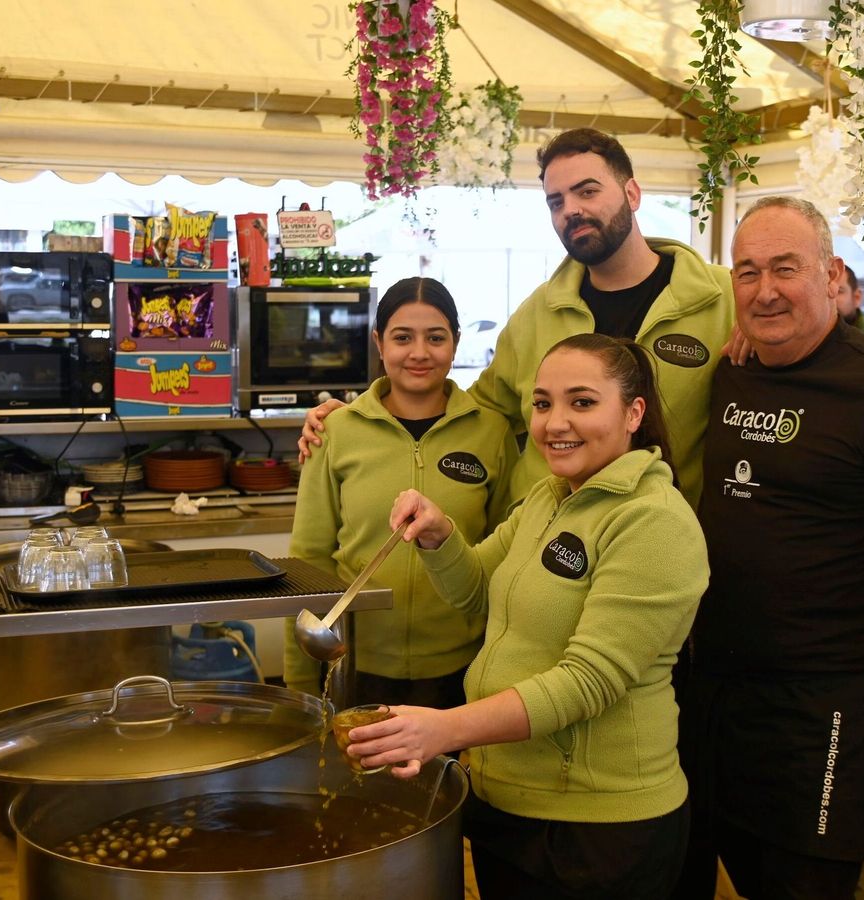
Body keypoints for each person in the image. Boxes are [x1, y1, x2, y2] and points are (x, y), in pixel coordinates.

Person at [674, 197, 864, 900]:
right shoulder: (737, 368)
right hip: (719, 695)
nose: (765, 289)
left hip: (828, 707)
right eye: (747, 273)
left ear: (832, 275)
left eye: (786, 268)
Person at [347, 333, 708, 900]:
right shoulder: (549, 496)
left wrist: (445, 728)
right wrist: (440, 534)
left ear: (634, 412)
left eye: (582, 402)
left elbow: (588, 683)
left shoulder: (654, 523)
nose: (555, 422)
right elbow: (479, 594)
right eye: (543, 404)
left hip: (599, 826)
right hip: (508, 799)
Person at [301, 127, 734, 511]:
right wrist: (362, 417)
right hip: (543, 548)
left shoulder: (723, 300)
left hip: (661, 548)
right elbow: (477, 412)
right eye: (556, 201)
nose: (572, 211)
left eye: (587, 191)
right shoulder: (537, 314)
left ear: (632, 194)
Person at [284, 277, 516, 707]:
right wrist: (299, 682)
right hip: (354, 664)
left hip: (464, 667)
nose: (420, 353)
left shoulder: (493, 432)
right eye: (402, 337)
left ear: (456, 342)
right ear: (379, 342)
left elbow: (505, 555)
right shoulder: (333, 431)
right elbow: (306, 562)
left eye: (436, 337)